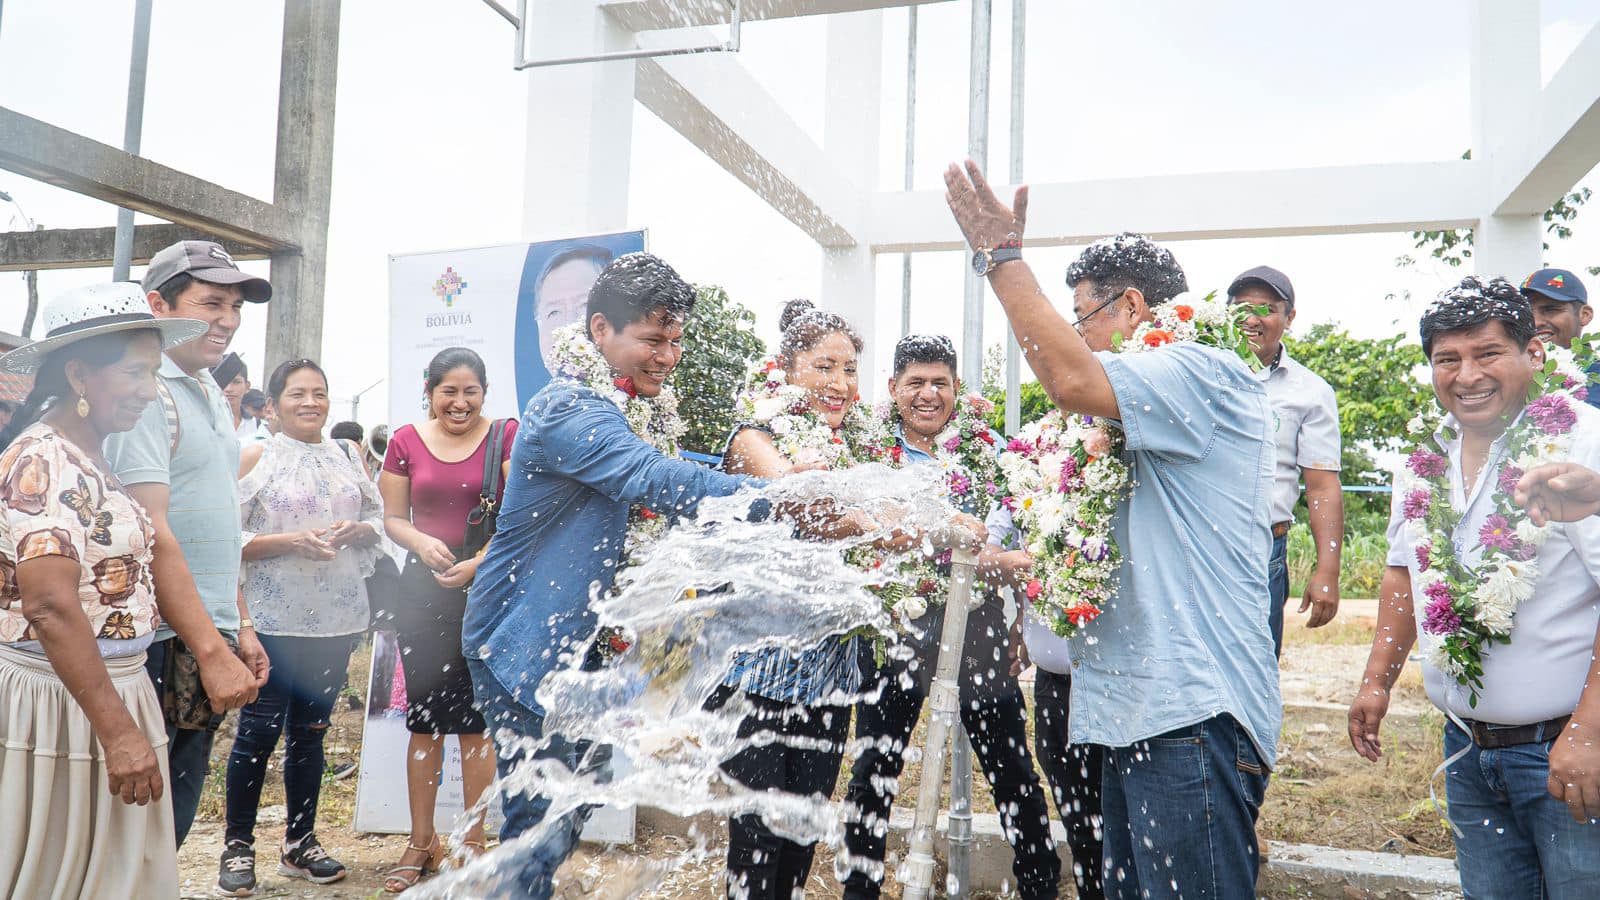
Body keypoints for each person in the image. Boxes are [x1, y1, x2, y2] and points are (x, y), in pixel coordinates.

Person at [943, 162, 1280, 897]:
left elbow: (1067, 378)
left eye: (1080, 321)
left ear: (1131, 307)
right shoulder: (1130, 414)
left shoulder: (1199, 367)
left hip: (1192, 712)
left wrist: (1001, 260)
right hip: (1138, 712)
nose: (1075, 339)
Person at [463, 253, 781, 899]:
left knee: (575, 801)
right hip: (526, 646)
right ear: (601, 330)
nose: (667, 356)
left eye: (675, 341)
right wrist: (787, 503)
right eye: (653, 339)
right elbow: (654, 479)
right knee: (539, 824)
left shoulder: (638, 408)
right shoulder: (567, 407)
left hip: (591, 648)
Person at [1349, 277, 1600, 897]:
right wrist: (1377, 680)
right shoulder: (1422, 455)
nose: (1467, 376)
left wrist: (1590, 732)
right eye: (1447, 359)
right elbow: (1404, 570)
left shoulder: (1579, 440)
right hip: (1465, 750)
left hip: (1565, 751)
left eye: (1487, 353)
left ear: (1532, 353)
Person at [0, 282, 212, 898]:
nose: (150, 390)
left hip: (106, 689)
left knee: (109, 872)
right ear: (77, 375)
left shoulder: (91, 453)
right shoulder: (43, 461)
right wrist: (120, 734)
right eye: (135, 373)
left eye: (154, 374)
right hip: (63, 702)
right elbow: (49, 603)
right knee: (57, 873)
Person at [841, 333, 1060, 900]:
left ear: (957, 388)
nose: (928, 394)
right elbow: (874, 534)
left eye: (940, 382)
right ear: (892, 388)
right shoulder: (865, 450)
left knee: (1012, 769)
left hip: (979, 630)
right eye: (915, 382)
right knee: (874, 771)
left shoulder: (990, 450)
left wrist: (1017, 621)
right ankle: (860, 891)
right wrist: (985, 558)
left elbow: (1026, 536)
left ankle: (1039, 887)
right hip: (895, 628)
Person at [106, 240, 273, 847]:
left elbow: (218, 521)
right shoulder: (146, 396)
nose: (226, 321)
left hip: (207, 629)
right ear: (158, 305)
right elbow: (152, 534)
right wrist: (209, 648)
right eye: (210, 304)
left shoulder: (203, 387)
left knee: (174, 812)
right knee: (139, 823)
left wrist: (241, 626)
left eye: (235, 307)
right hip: (161, 640)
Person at [217, 360, 385, 895]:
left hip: (337, 620)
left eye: (319, 393)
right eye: (297, 394)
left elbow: (380, 519)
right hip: (271, 618)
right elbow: (224, 536)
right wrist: (290, 541)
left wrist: (360, 529)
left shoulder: (347, 455)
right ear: (272, 405)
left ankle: (300, 841)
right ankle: (238, 845)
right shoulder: (256, 456)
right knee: (259, 732)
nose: (310, 402)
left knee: (311, 733)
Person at [378, 347, 508, 892]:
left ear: (484, 392)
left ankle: (472, 843)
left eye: (470, 390)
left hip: (486, 591)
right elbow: (392, 519)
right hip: (422, 594)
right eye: (448, 391)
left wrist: (478, 564)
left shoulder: (506, 436)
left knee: (476, 725)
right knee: (425, 722)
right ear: (429, 390)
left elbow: (522, 515)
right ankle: (421, 841)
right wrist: (422, 541)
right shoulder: (404, 441)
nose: (459, 402)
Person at [990, 505, 1105, 900]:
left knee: (1115, 821)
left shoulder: (1109, 469)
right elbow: (993, 548)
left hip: (1111, 682)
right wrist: (1021, 617)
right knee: (1077, 816)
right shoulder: (1024, 473)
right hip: (1053, 679)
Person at [1229, 266, 1344, 656]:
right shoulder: (1203, 372)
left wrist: (1327, 570)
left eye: (1265, 308)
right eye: (1240, 307)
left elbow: (1322, 486)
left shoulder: (1310, 391)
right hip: (1198, 543)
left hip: (1265, 550)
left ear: (1289, 317)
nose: (1250, 319)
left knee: (1255, 668)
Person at [1521, 267, 1600, 411]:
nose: (1536, 322)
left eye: (1550, 310)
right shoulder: (1513, 376)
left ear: (1585, 315)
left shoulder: (1596, 373)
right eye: (1527, 313)